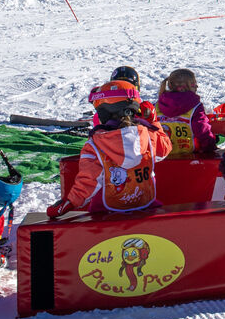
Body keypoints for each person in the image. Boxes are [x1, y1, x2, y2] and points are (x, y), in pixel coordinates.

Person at [46, 80, 172, 217]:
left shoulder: (94, 146)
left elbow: (88, 182)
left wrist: (69, 202)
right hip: (145, 210)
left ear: (104, 112)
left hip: (106, 215)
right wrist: (153, 122)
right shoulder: (148, 136)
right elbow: (165, 149)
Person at [155, 68, 218, 156]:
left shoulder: (157, 106)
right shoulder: (195, 106)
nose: (197, 87)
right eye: (194, 84)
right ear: (184, 87)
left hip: (162, 154)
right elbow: (202, 130)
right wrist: (210, 147)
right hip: (188, 155)